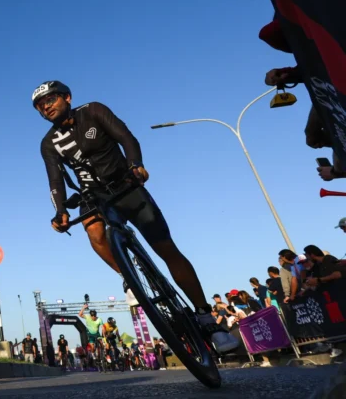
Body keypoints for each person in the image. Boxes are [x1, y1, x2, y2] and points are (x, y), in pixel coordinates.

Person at [33, 81, 239, 353]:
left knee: (166, 249)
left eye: (51, 99)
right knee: (93, 231)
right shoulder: (49, 143)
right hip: (93, 195)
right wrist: (60, 210)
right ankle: (129, 276)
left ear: (67, 98)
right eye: (39, 105)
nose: (46, 106)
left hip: (124, 184)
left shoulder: (93, 111)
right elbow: (55, 180)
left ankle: (205, 317)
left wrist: (136, 165)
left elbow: (126, 137)